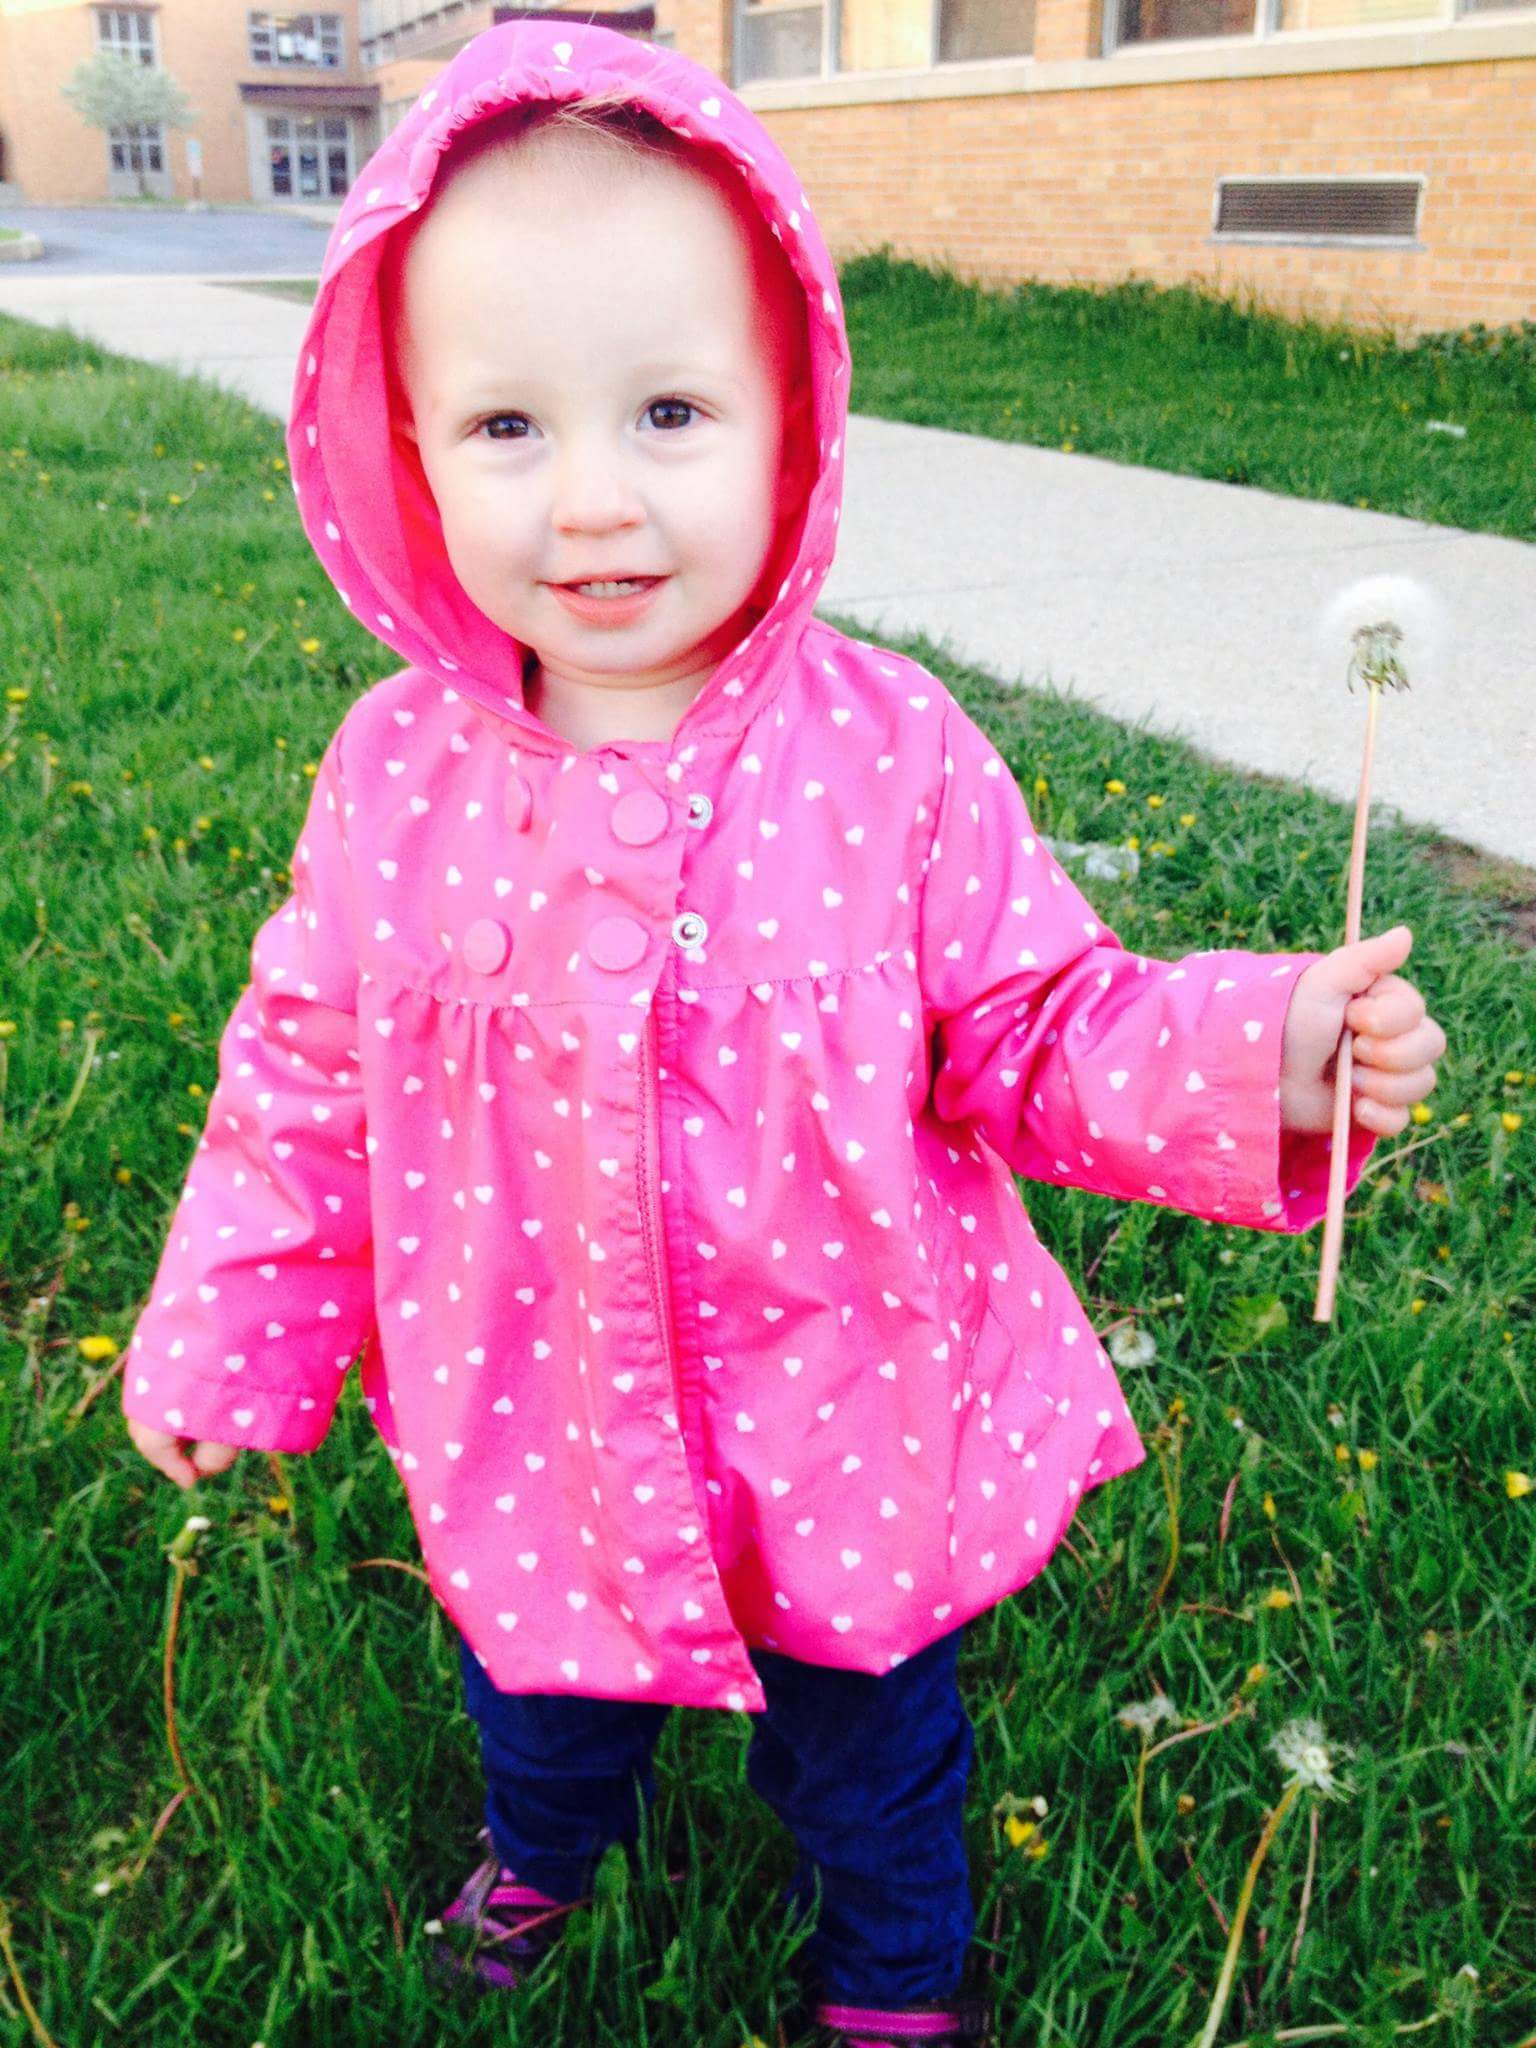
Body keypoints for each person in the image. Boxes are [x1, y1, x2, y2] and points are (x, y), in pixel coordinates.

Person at [120, 21, 1446, 2046]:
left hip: (846, 1416)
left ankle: (897, 1975)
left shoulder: (887, 748)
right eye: (504, 427)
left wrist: (1260, 1047)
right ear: (403, 443)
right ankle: (543, 1848)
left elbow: (1037, 1018)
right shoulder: (394, 780)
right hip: (540, 1410)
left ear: (793, 414)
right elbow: (305, 1077)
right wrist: (234, 1320)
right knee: (540, 1686)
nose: (595, 501)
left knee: (872, 1742)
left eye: (668, 410)